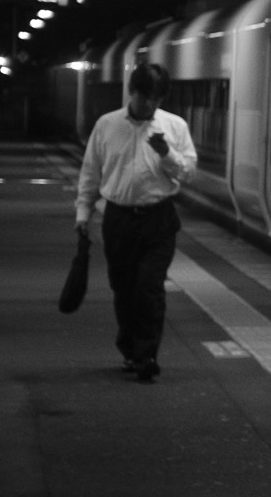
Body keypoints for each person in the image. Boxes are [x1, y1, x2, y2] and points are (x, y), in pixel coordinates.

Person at [75, 62, 198, 381]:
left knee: (149, 287)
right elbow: (90, 173)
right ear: (132, 92)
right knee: (124, 287)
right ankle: (130, 349)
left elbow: (188, 173)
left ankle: (146, 356)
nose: (150, 104)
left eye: (156, 98)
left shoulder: (174, 126)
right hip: (118, 218)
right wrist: (83, 213)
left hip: (159, 218)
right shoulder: (107, 125)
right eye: (145, 97)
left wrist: (166, 153)